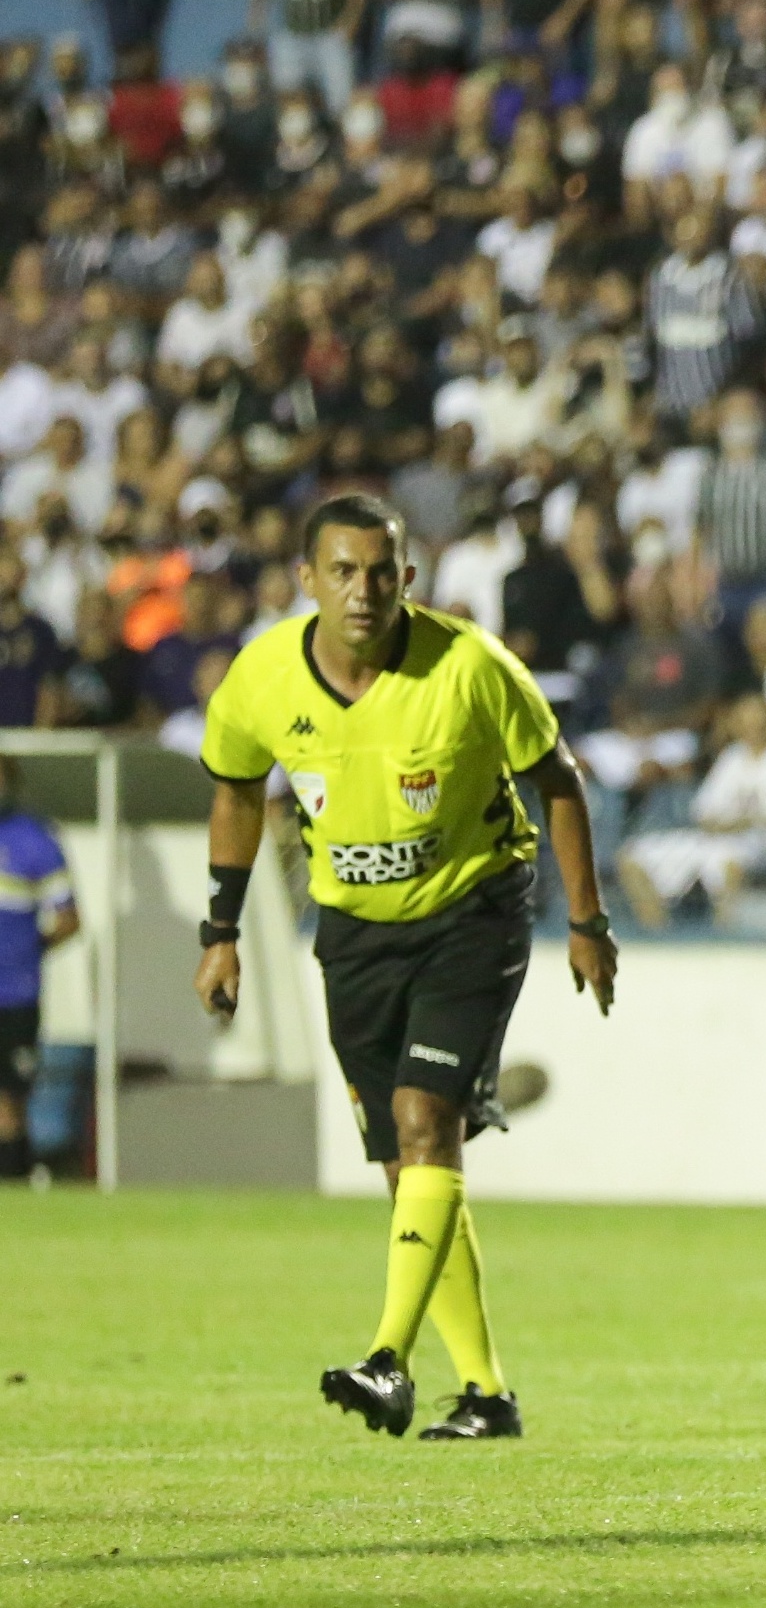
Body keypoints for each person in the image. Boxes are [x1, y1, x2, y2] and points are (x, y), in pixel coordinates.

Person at [191, 494, 618, 1442]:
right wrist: (219, 929)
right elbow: (233, 793)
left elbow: (559, 779)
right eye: (342, 571)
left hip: (474, 911)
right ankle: (488, 1394)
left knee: (426, 1124)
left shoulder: (467, 665)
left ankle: (386, 1358)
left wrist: (586, 920)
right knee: (408, 1166)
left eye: (381, 571)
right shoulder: (261, 679)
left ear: (407, 579)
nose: (363, 590)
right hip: (352, 933)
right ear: (305, 580)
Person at [0, 755, 78, 1180]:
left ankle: (14, 1191)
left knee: (9, 1102)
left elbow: (68, 918)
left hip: (14, 994)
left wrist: (27, 952)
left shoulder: (34, 839)